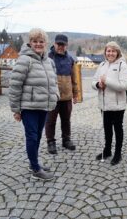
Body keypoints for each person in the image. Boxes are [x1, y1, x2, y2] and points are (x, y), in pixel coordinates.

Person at [9, 28, 59, 180]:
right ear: (30, 43)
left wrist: (55, 96)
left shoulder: (49, 61)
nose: (38, 44)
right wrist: (16, 109)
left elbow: (54, 82)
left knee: (37, 136)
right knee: (31, 137)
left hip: (43, 106)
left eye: (41, 41)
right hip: (29, 107)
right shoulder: (25, 60)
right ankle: (36, 169)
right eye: (35, 41)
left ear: (45, 43)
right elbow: (15, 85)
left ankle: (34, 163)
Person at [92, 41, 127, 165]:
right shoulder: (102, 64)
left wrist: (106, 81)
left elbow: (123, 85)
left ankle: (117, 153)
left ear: (117, 52)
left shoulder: (122, 65)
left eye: (113, 51)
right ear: (105, 52)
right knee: (107, 129)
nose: (111, 53)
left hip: (118, 105)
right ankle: (107, 150)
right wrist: (98, 84)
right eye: (108, 51)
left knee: (118, 129)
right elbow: (93, 81)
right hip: (104, 104)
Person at [45, 34, 77, 154]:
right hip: (52, 96)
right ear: (54, 44)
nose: (60, 47)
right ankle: (51, 142)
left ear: (66, 46)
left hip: (67, 96)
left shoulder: (70, 59)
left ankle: (66, 140)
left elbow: (74, 78)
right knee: (50, 120)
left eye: (63, 44)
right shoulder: (47, 58)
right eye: (58, 44)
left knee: (66, 120)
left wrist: (76, 94)